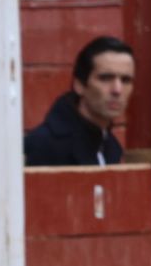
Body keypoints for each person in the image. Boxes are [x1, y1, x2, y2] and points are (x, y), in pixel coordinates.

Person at [23, 34, 134, 167]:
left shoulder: (111, 146)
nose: (117, 90)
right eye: (105, 78)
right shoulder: (43, 145)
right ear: (79, 85)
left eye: (126, 80)